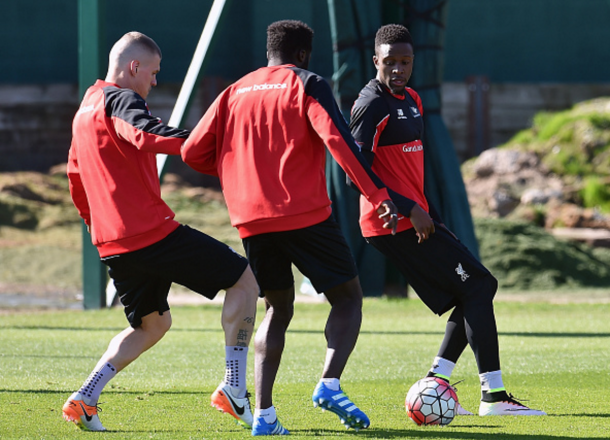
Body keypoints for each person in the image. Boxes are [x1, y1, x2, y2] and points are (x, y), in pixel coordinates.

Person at [181, 20, 418, 436]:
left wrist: (233, 170)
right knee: (347, 299)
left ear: (269, 52)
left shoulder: (235, 90)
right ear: (304, 54)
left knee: (278, 308)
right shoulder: (308, 83)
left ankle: (266, 417)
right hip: (304, 214)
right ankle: (329, 384)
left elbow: (191, 152)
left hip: (251, 220)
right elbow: (338, 142)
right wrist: (379, 197)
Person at [62, 31, 259, 432]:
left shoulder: (84, 109)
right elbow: (146, 134)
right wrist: (210, 141)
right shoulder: (120, 99)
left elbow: (75, 178)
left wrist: (99, 230)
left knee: (153, 324)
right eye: (152, 73)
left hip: (114, 242)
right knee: (245, 281)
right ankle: (235, 389)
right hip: (148, 233)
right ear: (134, 67)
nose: (153, 81)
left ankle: (85, 398)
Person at [349, 24, 546, 417]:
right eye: (390, 62)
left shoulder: (414, 100)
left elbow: (411, 172)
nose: (398, 69)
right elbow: (356, 169)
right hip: (389, 223)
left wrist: (434, 219)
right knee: (479, 285)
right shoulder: (370, 104)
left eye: (405, 61)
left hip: (418, 218)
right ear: (376, 62)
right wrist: (409, 209)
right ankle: (493, 395)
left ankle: (438, 381)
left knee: (473, 290)